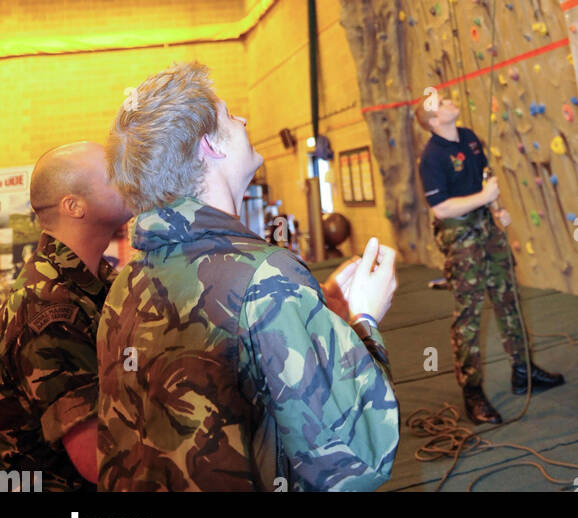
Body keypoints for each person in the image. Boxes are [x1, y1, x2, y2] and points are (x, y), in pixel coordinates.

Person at [98, 62, 399, 492]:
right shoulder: (265, 278)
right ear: (210, 147)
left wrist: (320, 317)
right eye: (229, 115)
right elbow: (357, 458)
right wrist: (365, 321)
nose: (243, 121)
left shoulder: (125, 285)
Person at [417, 90, 564, 425]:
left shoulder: (469, 138)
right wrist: (484, 198)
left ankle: (523, 370)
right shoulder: (432, 157)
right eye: (440, 104)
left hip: (486, 226)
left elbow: (486, 177)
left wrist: (496, 208)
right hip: (460, 234)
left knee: (507, 297)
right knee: (468, 312)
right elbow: (440, 208)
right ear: (432, 120)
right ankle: (472, 391)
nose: (448, 102)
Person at [0, 142, 132, 490]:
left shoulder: (96, 280)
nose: (129, 178)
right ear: (74, 206)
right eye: (113, 175)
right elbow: (97, 460)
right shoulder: (47, 305)